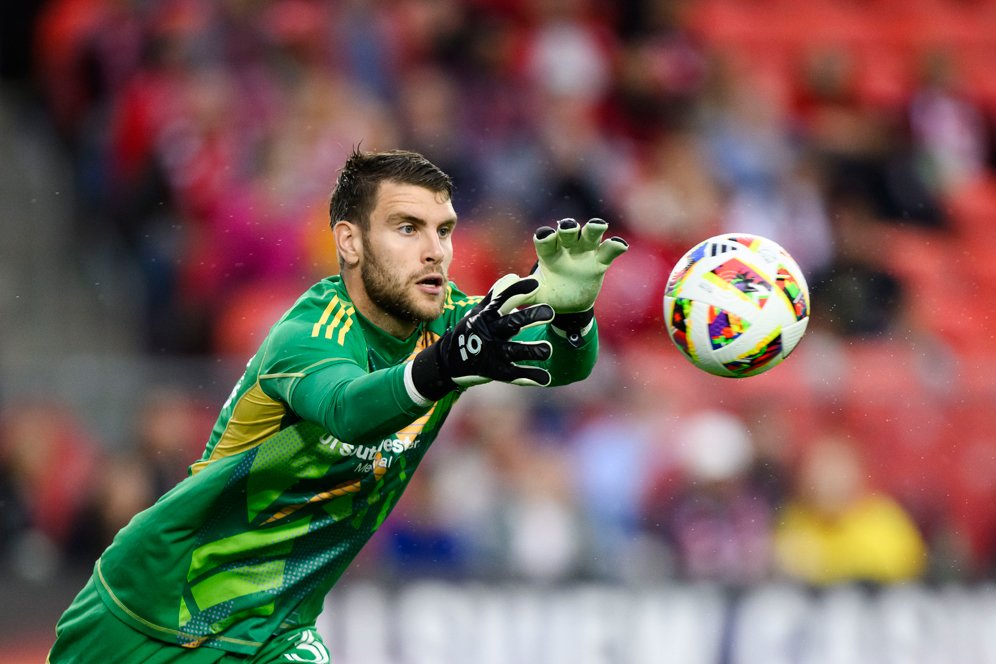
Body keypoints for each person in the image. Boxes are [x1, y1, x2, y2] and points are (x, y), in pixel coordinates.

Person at [48, 148, 628, 663]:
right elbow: (350, 409)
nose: (434, 252)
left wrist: (574, 316)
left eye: (444, 230)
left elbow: (561, 365)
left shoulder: (453, 323)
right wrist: (446, 365)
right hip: (150, 614)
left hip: (274, 633)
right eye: (407, 228)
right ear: (349, 241)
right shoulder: (309, 332)